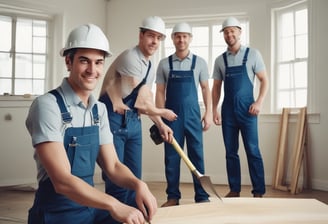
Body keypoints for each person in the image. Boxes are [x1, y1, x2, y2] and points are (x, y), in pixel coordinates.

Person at [25, 23, 157, 224]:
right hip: (56, 214)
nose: (92, 70)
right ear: (69, 62)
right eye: (84, 61)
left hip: (90, 208)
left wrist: (139, 184)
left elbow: (112, 166)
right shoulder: (47, 106)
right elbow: (62, 182)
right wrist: (114, 204)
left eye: (98, 62)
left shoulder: (99, 110)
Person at [99, 16, 177, 208]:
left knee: (135, 178)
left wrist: (160, 124)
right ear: (141, 35)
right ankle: (116, 218)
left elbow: (144, 98)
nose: (154, 42)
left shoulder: (149, 64)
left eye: (159, 38)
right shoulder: (130, 58)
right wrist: (162, 112)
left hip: (133, 120)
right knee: (117, 179)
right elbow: (143, 103)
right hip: (112, 118)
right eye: (151, 36)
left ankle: (135, 216)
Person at [155, 22, 212, 207]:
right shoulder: (164, 64)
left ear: (190, 38)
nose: (181, 39)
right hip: (171, 117)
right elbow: (160, 92)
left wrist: (209, 112)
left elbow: (205, 89)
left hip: (194, 116)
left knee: (197, 155)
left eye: (185, 36)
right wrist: (161, 117)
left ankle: (202, 197)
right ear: (172, 38)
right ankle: (173, 197)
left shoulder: (200, 62)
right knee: (171, 157)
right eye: (178, 36)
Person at [211, 17, 268, 198]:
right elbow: (216, 87)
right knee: (230, 152)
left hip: (248, 110)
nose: (229, 34)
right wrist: (214, 109)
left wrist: (258, 102)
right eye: (226, 32)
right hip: (228, 111)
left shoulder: (253, 54)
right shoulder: (220, 60)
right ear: (224, 35)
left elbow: (264, 80)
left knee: (253, 150)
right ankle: (234, 190)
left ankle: (258, 191)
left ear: (239, 32)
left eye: (232, 31)